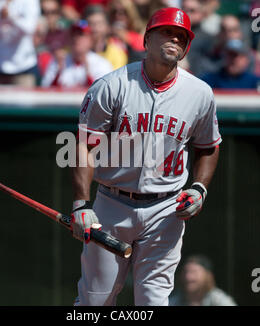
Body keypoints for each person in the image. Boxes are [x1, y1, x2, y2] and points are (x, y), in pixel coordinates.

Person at [70, 7, 221, 306]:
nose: (174, 39)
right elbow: (84, 146)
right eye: (167, 32)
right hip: (111, 205)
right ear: (147, 39)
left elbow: (208, 146)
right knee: (95, 300)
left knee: (154, 300)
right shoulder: (111, 85)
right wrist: (80, 204)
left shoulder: (200, 93)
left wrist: (199, 188)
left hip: (166, 208)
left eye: (182, 37)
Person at [0, 0, 41, 87]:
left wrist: (10, 16)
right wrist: (0, 18)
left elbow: (29, 29)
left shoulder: (30, 1)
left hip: (23, 67)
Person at [41, 20, 112, 88]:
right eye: (73, 34)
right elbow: (46, 91)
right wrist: (58, 73)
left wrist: (88, 75)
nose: (76, 38)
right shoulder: (58, 61)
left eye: (81, 34)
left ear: (91, 39)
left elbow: (102, 93)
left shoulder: (101, 63)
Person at [169, 255, 237, 306]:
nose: (188, 277)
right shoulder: (173, 300)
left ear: (207, 276)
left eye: (194, 272)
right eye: (185, 272)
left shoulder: (218, 300)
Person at [83, 5, 128, 70]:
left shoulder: (117, 54)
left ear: (107, 27)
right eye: (90, 23)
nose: (94, 28)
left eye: (99, 23)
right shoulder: (76, 52)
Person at [181, 0, 216, 76]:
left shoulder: (208, 38)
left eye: (192, 11)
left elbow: (211, 67)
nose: (186, 13)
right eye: (183, 9)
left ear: (202, 14)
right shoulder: (173, 34)